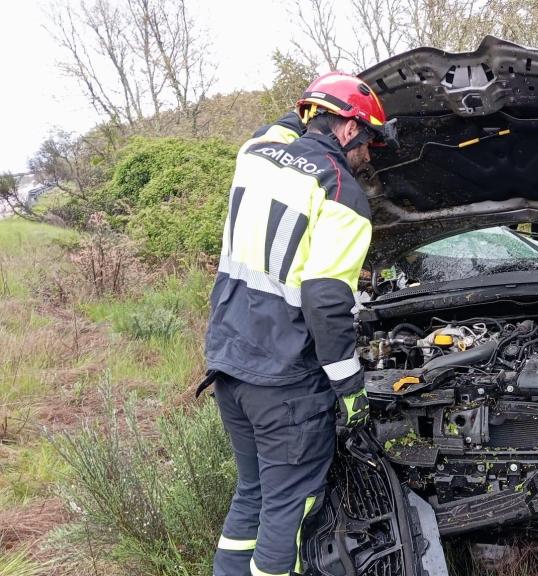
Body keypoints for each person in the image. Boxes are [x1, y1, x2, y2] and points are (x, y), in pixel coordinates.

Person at [203, 71, 395, 576]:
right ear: (350, 129)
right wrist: (350, 387)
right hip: (284, 381)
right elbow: (327, 300)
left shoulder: (255, 154)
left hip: (229, 363)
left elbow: (285, 128)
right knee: (290, 510)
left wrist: (315, 108)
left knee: (253, 494)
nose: (370, 155)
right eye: (370, 139)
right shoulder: (341, 192)